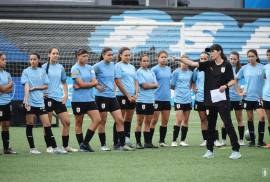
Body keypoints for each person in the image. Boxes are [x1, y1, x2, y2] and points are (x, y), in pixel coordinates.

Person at [181, 44, 241, 159]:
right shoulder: (208, 64)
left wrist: (225, 86)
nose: (211, 53)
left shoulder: (226, 64)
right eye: (210, 52)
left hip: (222, 100)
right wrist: (180, 59)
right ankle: (209, 150)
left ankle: (236, 150)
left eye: (213, 51)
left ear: (219, 52)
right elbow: (193, 64)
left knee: (228, 124)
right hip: (210, 100)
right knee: (211, 126)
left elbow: (233, 80)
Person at [21, 52, 65, 154]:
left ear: (38, 60)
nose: (32, 61)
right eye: (31, 59)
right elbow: (26, 86)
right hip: (30, 102)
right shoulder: (26, 71)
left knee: (47, 124)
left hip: (40, 102)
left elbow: (46, 86)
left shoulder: (42, 71)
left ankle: (54, 147)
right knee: (30, 124)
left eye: (34, 59)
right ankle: (32, 148)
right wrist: (26, 100)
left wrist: (36, 87)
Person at [94, 47, 134, 151]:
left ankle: (122, 144)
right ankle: (103, 145)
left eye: (112, 55)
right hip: (101, 97)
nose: (111, 57)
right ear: (103, 55)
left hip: (112, 97)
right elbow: (89, 76)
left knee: (120, 120)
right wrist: (96, 86)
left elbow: (116, 80)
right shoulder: (97, 66)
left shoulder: (114, 66)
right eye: (109, 55)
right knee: (103, 121)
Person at [42, 48, 77, 153]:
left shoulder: (60, 67)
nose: (55, 55)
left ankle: (65, 146)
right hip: (47, 98)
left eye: (57, 53)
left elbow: (64, 82)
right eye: (53, 53)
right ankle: (49, 147)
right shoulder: (43, 67)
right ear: (49, 55)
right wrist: (41, 93)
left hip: (58, 99)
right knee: (47, 124)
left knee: (67, 122)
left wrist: (65, 95)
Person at [70, 49, 101, 152]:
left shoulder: (90, 67)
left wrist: (84, 85)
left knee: (97, 120)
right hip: (78, 100)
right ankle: (81, 145)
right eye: (83, 56)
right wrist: (90, 84)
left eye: (87, 56)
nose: (86, 58)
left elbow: (89, 82)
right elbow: (83, 84)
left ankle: (85, 143)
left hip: (90, 99)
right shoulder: (74, 69)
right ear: (78, 56)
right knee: (79, 123)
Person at [237, 49, 266, 147]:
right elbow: (235, 79)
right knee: (250, 118)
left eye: (252, 56)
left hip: (259, 97)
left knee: (262, 117)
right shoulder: (244, 68)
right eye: (249, 56)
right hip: (247, 97)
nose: (250, 58)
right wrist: (239, 91)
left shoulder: (263, 68)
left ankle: (261, 141)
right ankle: (252, 141)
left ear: (256, 57)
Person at [192, 52, 222, 147]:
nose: (203, 60)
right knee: (203, 119)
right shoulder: (197, 70)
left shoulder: (212, 68)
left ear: (208, 59)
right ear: (199, 60)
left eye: (205, 58)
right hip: (200, 98)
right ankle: (205, 140)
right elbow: (193, 80)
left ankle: (215, 140)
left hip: (211, 98)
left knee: (212, 119)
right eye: (201, 59)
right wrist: (194, 88)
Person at [220, 51, 245, 146]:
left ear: (238, 59)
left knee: (239, 119)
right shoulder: (225, 68)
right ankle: (223, 140)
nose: (232, 61)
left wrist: (243, 89)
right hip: (227, 99)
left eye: (234, 59)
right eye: (231, 59)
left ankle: (241, 140)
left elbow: (244, 81)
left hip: (237, 98)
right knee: (225, 120)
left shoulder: (241, 69)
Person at [114, 47, 137, 148]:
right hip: (121, 95)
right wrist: (127, 95)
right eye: (126, 55)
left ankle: (126, 139)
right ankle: (117, 142)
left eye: (129, 55)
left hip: (132, 96)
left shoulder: (132, 67)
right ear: (120, 56)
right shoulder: (118, 66)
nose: (128, 57)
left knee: (128, 119)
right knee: (120, 119)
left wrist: (136, 93)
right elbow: (118, 82)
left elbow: (135, 81)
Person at [135, 54, 159, 149]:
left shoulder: (151, 72)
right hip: (142, 100)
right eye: (143, 61)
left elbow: (156, 84)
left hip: (150, 100)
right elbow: (144, 86)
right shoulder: (139, 72)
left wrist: (151, 85)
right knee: (140, 122)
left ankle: (147, 142)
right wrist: (152, 85)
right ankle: (138, 142)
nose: (145, 62)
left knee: (148, 122)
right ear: (140, 62)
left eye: (147, 61)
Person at [150, 51, 171, 147]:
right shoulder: (154, 70)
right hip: (156, 98)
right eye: (162, 57)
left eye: (165, 57)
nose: (164, 58)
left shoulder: (169, 69)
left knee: (165, 121)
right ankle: (148, 141)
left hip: (167, 99)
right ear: (158, 58)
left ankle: (162, 141)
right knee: (154, 120)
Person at [171, 55, 193, 147]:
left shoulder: (191, 73)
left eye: (186, 62)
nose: (184, 64)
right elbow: (172, 85)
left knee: (186, 120)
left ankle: (183, 140)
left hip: (188, 99)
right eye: (183, 62)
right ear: (180, 62)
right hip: (179, 99)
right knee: (178, 120)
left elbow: (192, 83)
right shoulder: (176, 72)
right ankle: (174, 141)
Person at [0, 53, 16, 154]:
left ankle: (6, 148)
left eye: (5, 59)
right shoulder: (8, 77)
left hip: (7, 103)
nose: (5, 61)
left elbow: (10, 89)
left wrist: (3, 90)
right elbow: (4, 88)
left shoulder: (7, 74)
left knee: (6, 125)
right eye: (3, 59)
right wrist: (9, 84)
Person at [263, 49, 270, 148]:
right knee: (269, 120)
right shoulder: (264, 68)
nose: (269, 56)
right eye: (267, 54)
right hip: (266, 96)